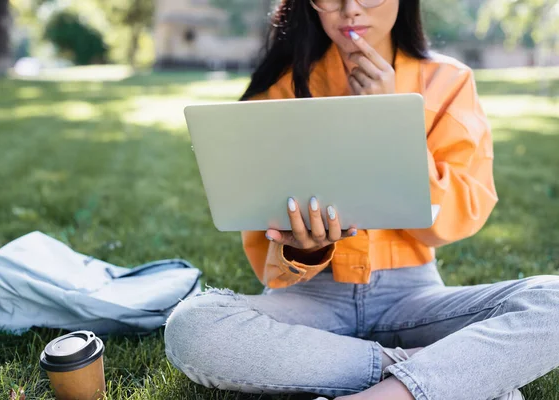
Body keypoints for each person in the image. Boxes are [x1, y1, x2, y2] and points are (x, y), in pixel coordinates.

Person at [164, 0, 559, 399]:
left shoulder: (449, 81)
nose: (350, 10)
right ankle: (438, 370)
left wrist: (391, 122)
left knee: (554, 301)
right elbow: (264, 241)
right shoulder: (279, 90)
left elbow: (453, 219)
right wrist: (305, 250)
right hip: (310, 299)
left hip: (413, 297)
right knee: (192, 325)